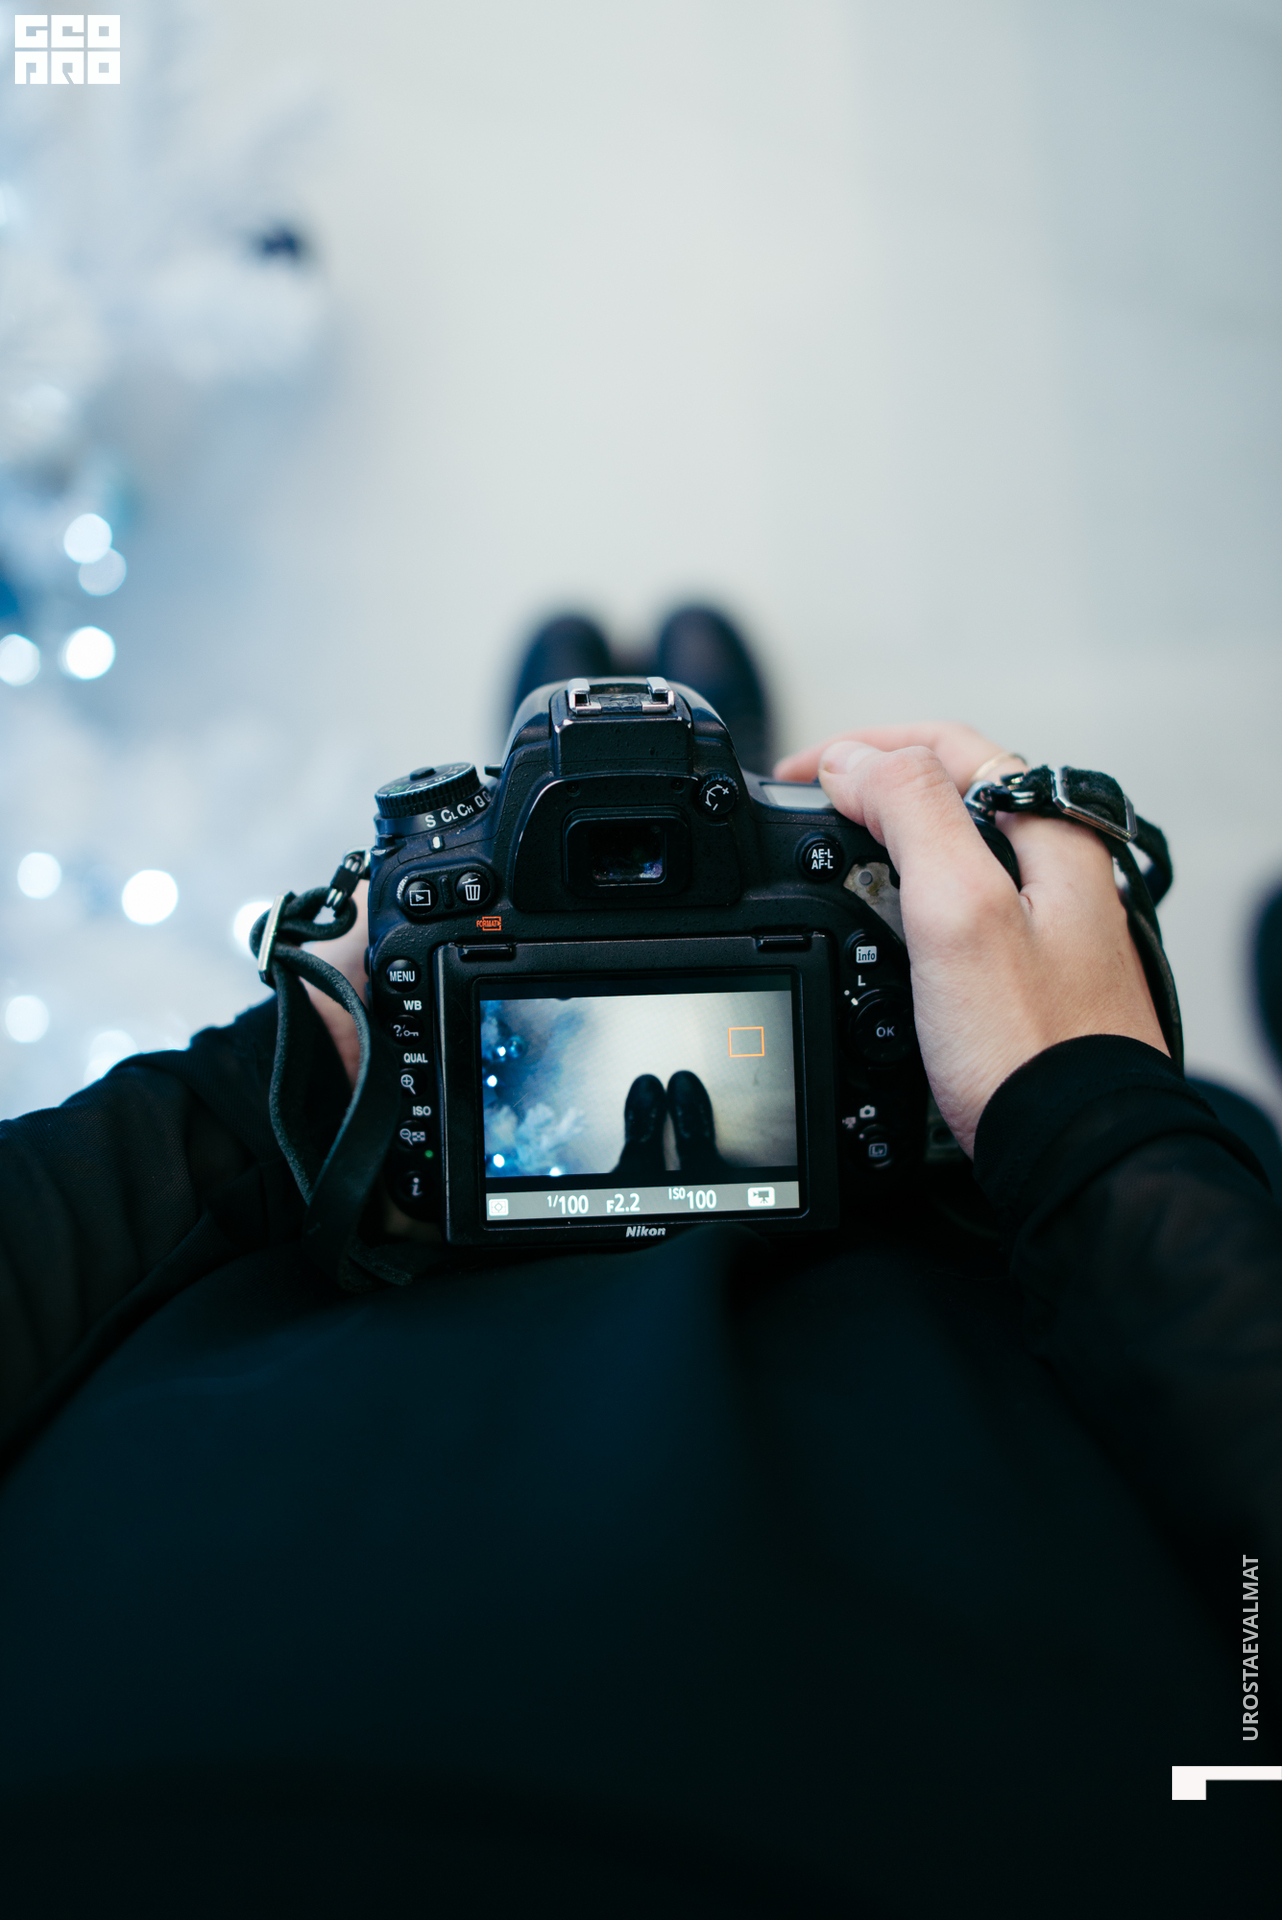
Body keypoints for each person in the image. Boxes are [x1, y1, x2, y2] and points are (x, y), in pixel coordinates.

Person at [0, 619, 1279, 1914]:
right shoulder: (1214, 1786)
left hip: (199, 1659)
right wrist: (1087, 1116)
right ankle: (705, 912)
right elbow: (1253, 1703)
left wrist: (290, 1078)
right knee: (1214, 1130)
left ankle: (592, 926)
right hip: (963, 1693)